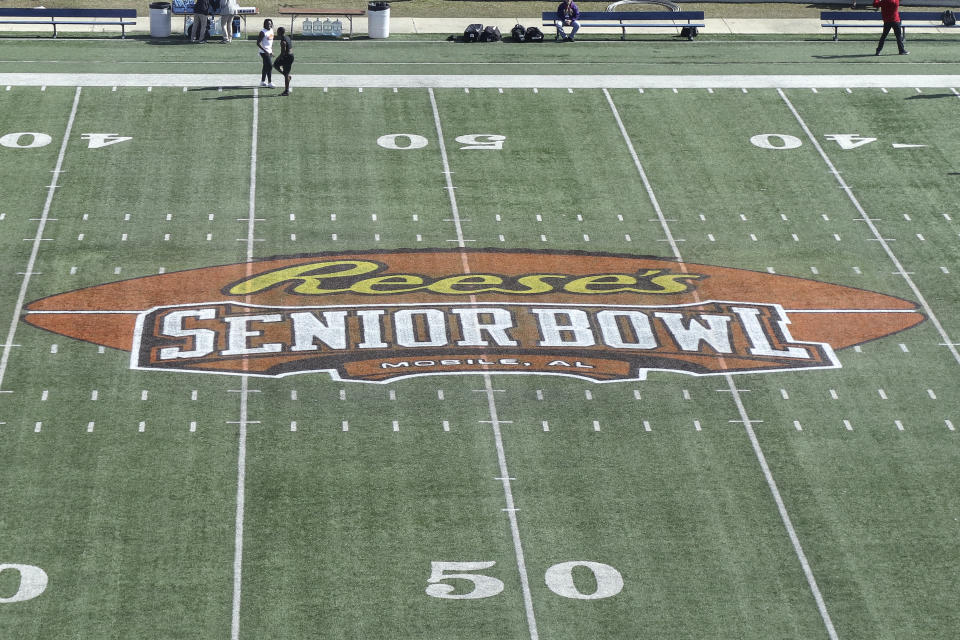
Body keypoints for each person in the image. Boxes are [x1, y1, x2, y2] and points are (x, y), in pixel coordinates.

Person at [273, 26, 294, 96]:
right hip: (291, 56)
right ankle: (287, 76)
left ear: (279, 33)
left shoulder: (283, 41)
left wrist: (277, 58)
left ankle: (286, 91)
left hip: (287, 57)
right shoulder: (287, 37)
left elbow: (283, 53)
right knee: (276, 66)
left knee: (276, 65)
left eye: (277, 31)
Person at [257, 19, 275, 88]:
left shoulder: (271, 30)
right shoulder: (262, 32)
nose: (269, 25)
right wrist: (266, 51)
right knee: (270, 66)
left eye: (270, 24)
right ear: (264, 24)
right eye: (267, 24)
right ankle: (270, 82)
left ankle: (262, 81)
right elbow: (258, 43)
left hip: (269, 51)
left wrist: (271, 51)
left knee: (265, 66)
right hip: (263, 52)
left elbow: (270, 42)